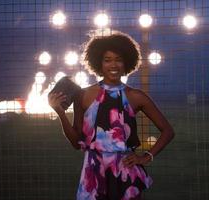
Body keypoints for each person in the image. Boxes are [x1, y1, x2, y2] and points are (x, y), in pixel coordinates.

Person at [48, 30, 174, 200]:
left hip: (125, 172)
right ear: (99, 63)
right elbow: (76, 143)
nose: (113, 65)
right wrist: (60, 113)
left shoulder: (135, 96)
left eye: (118, 60)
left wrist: (146, 156)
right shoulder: (83, 96)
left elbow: (168, 131)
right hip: (93, 172)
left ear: (126, 63)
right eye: (107, 60)